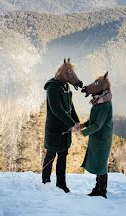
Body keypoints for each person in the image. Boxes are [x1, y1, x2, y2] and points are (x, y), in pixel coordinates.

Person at [42, 58, 82, 192]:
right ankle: (45, 181)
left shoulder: (65, 86)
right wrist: (71, 123)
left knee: (63, 156)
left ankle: (61, 184)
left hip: (65, 129)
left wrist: (76, 120)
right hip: (55, 129)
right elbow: (57, 109)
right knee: (51, 154)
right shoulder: (52, 88)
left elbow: (70, 105)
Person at [79, 72, 113, 198]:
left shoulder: (105, 104)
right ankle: (97, 189)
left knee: (101, 165)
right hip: (97, 138)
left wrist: (82, 132)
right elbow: (93, 121)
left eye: (97, 84)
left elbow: (98, 125)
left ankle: (102, 191)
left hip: (102, 139)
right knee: (99, 164)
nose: (95, 85)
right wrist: (83, 125)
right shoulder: (99, 102)